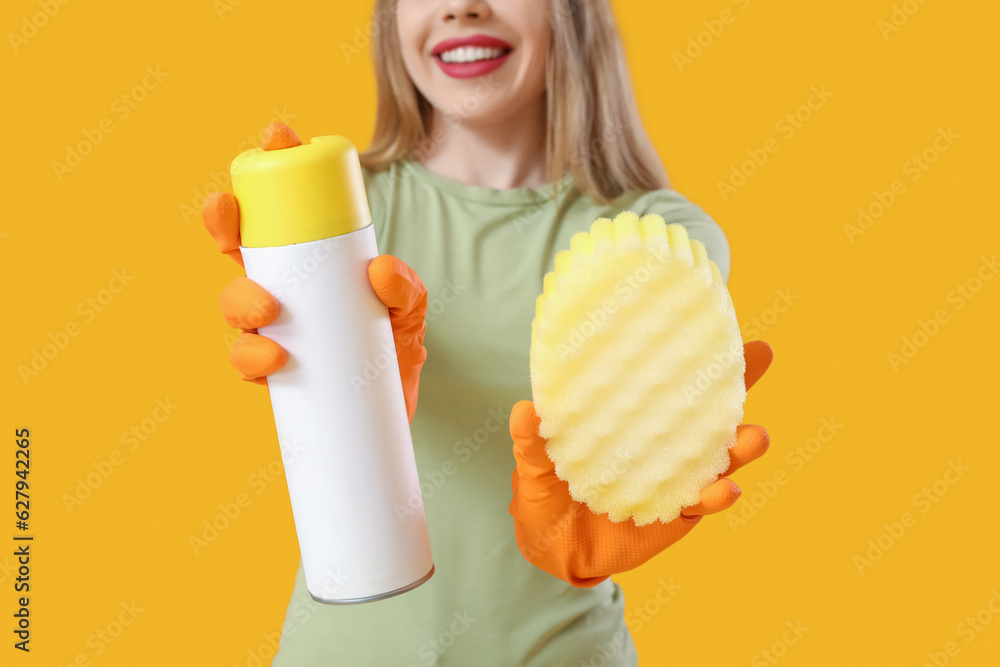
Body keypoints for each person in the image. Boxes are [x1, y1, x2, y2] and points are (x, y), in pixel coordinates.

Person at [202, 0, 772, 664]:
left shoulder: (661, 241)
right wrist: (346, 389)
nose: (461, 6)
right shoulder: (342, 207)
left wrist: (590, 524)